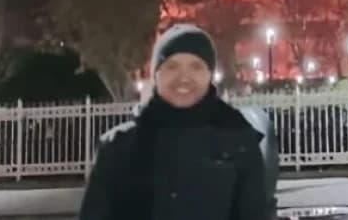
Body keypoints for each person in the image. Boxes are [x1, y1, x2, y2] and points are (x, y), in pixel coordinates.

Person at [79, 24, 270, 220]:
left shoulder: (238, 141)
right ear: (156, 75)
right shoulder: (118, 147)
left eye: (196, 66)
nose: (183, 77)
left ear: (209, 75)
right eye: (172, 66)